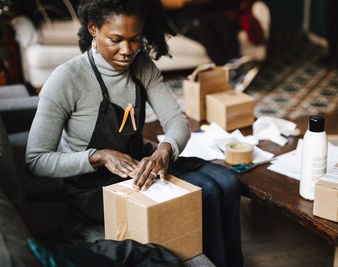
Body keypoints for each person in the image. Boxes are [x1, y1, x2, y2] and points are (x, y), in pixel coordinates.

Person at [25, 0, 243, 266]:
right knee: (206, 189)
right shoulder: (66, 80)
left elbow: (176, 121)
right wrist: (99, 156)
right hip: (92, 190)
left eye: (135, 39)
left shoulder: (142, 66)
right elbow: (35, 161)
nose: (127, 51)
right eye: (116, 39)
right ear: (93, 28)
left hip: (139, 170)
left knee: (228, 180)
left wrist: (166, 149)